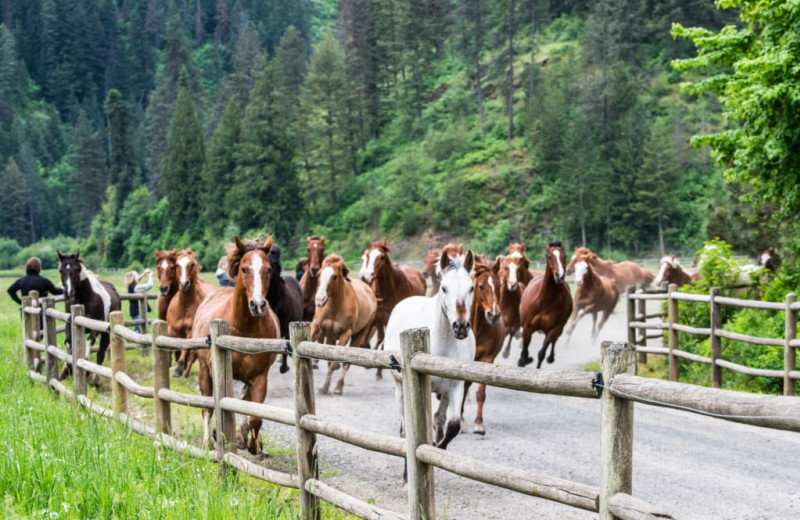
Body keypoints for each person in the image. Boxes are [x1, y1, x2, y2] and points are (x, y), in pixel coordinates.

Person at [7, 257, 64, 338]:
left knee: (29, 334)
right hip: (40, 312)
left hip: (26, 311)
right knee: (39, 335)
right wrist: (64, 290)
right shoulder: (44, 281)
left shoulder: (21, 280)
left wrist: (21, 303)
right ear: (38, 268)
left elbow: (10, 290)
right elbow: (55, 292)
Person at [125, 269, 153, 333]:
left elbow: (136, 279)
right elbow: (149, 285)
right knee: (139, 329)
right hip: (138, 311)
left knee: (138, 327)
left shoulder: (130, 285)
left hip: (134, 310)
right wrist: (150, 276)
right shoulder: (136, 287)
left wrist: (143, 275)